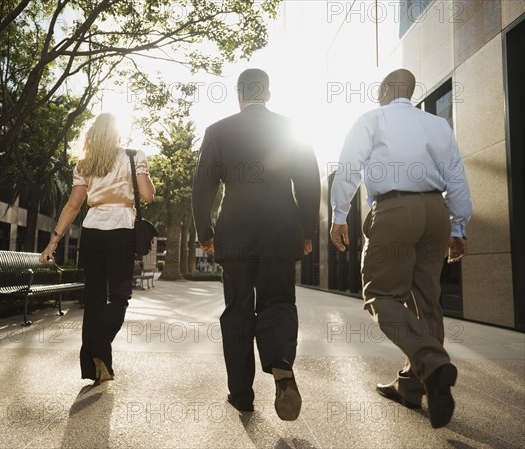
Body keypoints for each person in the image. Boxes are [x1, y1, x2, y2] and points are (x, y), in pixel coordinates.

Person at [329, 69, 472, 428]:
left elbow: (349, 167)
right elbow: (456, 175)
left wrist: (339, 214)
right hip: (434, 211)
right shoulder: (437, 125)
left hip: (395, 210)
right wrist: (458, 226)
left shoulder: (373, 119)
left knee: (380, 294)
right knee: (427, 300)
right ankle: (411, 386)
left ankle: (433, 363)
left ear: (385, 91)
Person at [192, 68, 321, 421]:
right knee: (278, 300)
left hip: (235, 233)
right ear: (268, 93)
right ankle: (280, 363)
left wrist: (205, 232)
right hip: (280, 231)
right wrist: (307, 231)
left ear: (239, 94)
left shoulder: (218, 131)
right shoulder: (291, 129)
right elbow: (310, 184)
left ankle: (241, 395)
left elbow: (203, 187)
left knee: (237, 309)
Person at [40, 113, 155, 384]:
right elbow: (148, 195)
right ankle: (98, 343)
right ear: (116, 133)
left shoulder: (84, 164)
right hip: (121, 234)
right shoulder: (133, 156)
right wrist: (145, 174)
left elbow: (72, 206)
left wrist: (53, 242)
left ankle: (95, 368)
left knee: (93, 300)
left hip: (91, 235)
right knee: (119, 297)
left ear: (92, 135)